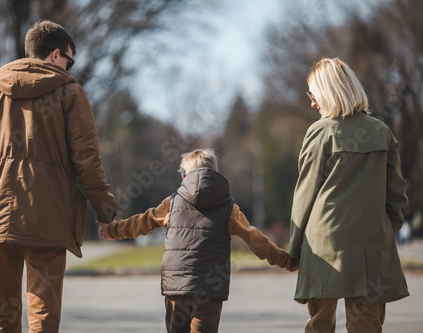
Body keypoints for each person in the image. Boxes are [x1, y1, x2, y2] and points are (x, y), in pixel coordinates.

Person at [0, 20, 116, 332]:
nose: (70, 68)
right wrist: (105, 210)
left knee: (2, 315)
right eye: (70, 60)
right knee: (43, 316)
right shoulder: (70, 94)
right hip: (48, 220)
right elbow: (87, 161)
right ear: (56, 54)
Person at [97, 148, 299, 333]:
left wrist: (113, 230)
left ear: (184, 176)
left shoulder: (173, 202)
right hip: (209, 290)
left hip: (176, 287)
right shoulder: (229, 208)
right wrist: (286, 260)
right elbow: (256, 240)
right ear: (215, 174)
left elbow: (144, 221)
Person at [289, 57, 409, 333]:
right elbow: (397, 198)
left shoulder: (320, 132)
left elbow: (305, 195)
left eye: (313, 94)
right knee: (366, 326)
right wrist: (382, 234)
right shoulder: (383, 132)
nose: (311, 102)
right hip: (372, 250)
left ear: (329, 92)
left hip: (323, 248)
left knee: (320, 326)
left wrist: (294, 249)